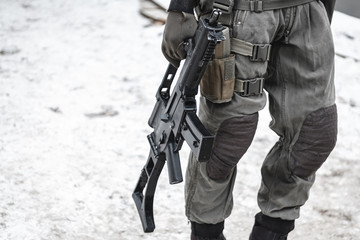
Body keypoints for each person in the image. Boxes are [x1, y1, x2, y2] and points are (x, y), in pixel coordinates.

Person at [161, 0, 338, 239]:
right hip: (237, 11)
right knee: (226, 137)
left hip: (307, 10)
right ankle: (206, 233)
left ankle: (273, 230)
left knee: (313, 134)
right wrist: (181, 7)